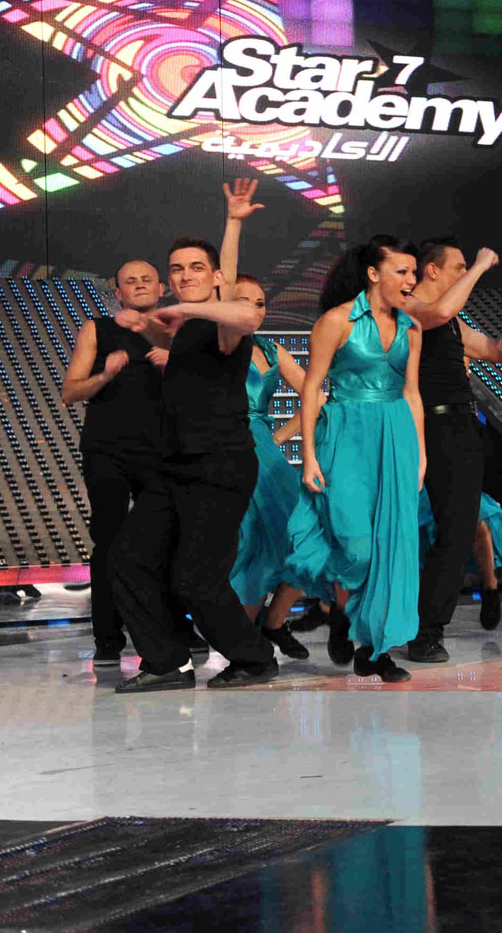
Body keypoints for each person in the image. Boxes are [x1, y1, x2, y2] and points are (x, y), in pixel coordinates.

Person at [107, 180, 279, 692]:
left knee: (195, 579)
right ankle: (167, 662)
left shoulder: (223, 326)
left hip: (219, 467)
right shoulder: (185, 328)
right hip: (175, 466)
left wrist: (233, 226)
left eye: (196, 268)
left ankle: (254, 658)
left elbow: (244, 312)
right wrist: (147, 326)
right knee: (128, 558)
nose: (185, 276)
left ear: (215, 277)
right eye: (177, 269)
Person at [287, 237, 426, 683]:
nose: (412, 279)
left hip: (396, 437)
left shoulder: (412, 328)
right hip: (345, 437)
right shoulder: (336, 320)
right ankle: (339, 609)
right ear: (373, 273)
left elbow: (412, 393)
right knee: (357, 548)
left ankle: (374, 650)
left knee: (391, 548)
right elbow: (312, 388)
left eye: (413, 271)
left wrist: (421, 454)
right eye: (402, 271)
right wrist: (308, 456)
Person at [402, 238, 502, 662]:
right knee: (453, 530)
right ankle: (425, 631)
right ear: (433, 270)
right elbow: (440, 311)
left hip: (465, 426)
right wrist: (481, 266)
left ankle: (438, 619)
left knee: (463, 527)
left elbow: (498, 351)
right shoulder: (410, 306)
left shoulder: (452, 322)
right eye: (458, 267)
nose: (465, 272)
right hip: (436, 425)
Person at [61, 256, 168, 666]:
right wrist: (105, 375)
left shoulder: (176, 331)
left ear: (161, 288)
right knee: (109, 539)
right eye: (130, 281)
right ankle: (108, 638)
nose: (139, 285)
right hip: (107, 448)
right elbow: (71, 391)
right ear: (118, 292)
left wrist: (173, 363)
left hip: (162, 449)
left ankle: (171, 629)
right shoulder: (98, 329)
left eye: (147, 279)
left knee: (165, 538)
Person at [225, 275, 319, 660]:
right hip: (226, 449)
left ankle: (273, 623)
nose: (253, 309)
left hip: (267, 454)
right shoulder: (213, 347)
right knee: (249, 545)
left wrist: (278, 436)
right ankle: (244, 643)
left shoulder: (272, 349)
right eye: (242, 301)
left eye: (260, 303)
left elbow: (316, 397)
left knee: (307, 538)